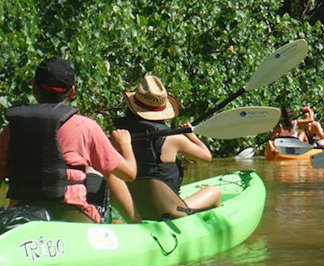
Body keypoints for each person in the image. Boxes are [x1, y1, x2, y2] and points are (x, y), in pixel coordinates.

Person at [0, 56, 139, 224]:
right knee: (103, 172)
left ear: (34, 88)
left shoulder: (12, 128)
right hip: (72, 217)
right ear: (72, 92)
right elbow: (130, 173)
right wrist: (125, 144)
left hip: (22, 215)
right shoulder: (86, 126)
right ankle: (136, 224)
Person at [115, 75, 221, 219]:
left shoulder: (121, 138)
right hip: (170, 210)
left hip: (135, 209)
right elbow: (206, 157)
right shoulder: (173, 138)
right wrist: (191, 136)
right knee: (214, 191)